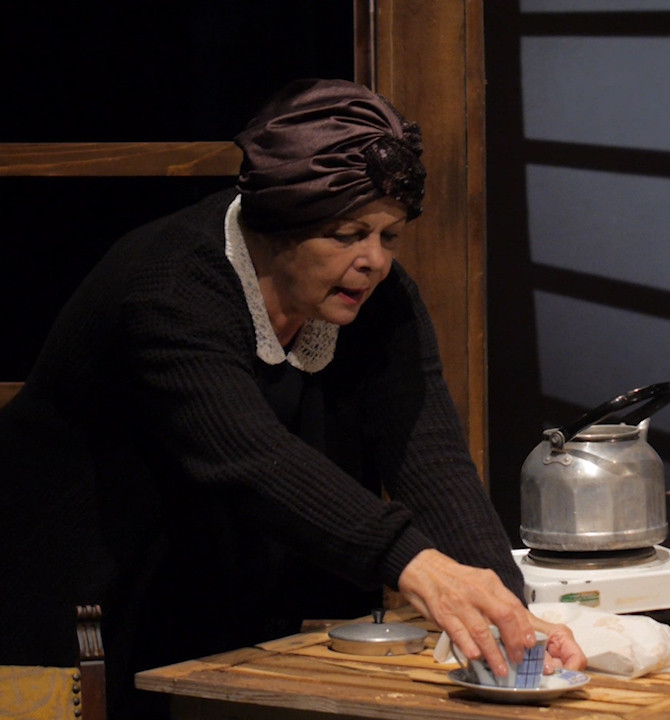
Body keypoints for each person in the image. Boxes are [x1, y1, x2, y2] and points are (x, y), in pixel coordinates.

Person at [0, 78, 583, 718]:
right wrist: (415, 563)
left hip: (211, 593)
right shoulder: (168, 286)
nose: (374, 261)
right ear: (279, 224)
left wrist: (505, 610)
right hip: (77, 594)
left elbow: (429, 454)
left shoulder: (380, 300)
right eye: (348, 233)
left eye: (389, 236)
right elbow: (249, 457)